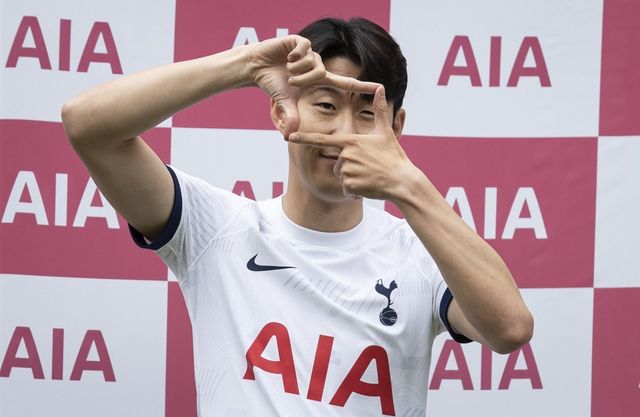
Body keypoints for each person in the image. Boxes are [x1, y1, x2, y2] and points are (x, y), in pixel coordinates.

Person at [62, 17, 533, 417]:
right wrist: (245, 65)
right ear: (281, 111)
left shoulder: (421, 255)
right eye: (325, 105)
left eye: (366, 114)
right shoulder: (215, 227)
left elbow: (510, 329)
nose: (344, 133)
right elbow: (87, 124)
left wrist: (409, 186)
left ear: (396, 127)